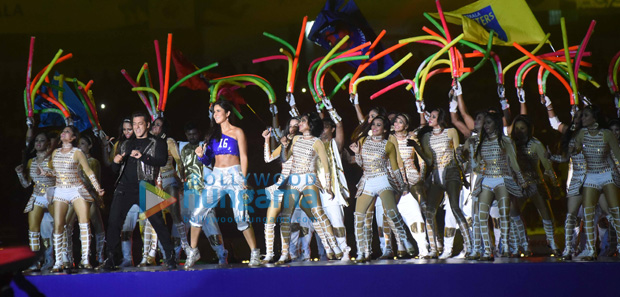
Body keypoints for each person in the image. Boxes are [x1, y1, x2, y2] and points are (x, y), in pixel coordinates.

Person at [98, 112, 176, 270]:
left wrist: (142, 156)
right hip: (124, 188)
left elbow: (161, 160)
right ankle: (112, 258)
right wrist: (115, 162)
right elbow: (115, 170)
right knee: (113, 223)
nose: (137, 127)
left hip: (146, 186)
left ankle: (170, 257)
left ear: (147, 125)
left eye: (140, 124)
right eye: (135, 124)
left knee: (158, 223)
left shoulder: (158, 142)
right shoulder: (126, 143)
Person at [191, 100, 261, 267]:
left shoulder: (237, 132)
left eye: (218, 111)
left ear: (228, 113)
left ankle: (255, 252)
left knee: (241, 217)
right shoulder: (211, 136)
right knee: (197, 213)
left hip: (234, 174)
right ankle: (193, 251)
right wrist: (200, 155)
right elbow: (207, 160)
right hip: (216, 176)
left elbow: (244, 156)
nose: (215, 114)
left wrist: (243, 178)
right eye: (214, 112)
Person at [349, 115, 413, 262]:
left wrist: (401, 186)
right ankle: (360, 252)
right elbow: (361, 164)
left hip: (383, 179)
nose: (374, 127)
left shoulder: (388, 145)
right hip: (367, 180)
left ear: (384, 129)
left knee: (392, 213)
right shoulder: (363, 141)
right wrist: (357, 154)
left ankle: (405, 241)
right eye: (373, 125)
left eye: (378, 125)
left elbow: (395, 169)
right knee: (358, 216)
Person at [41, 126, 104, 271]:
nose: (63, 133)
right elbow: (57, 173)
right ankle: (58, 262)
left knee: (84, 222)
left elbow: (88, 171)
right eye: (62, 131)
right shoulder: (55, 152)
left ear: (74, 137)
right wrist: (46, 173)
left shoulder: (78, 152)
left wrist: (97, 187)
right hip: (61, 190)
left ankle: (85, 259)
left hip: (76, 189)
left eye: (67, 131)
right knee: (58, 225)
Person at [471, 111, 525, 260]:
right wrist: (469, 152)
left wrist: (522, 181)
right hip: (486, 180)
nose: (486, 125)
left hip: (503, 179)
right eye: (485, 123)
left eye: (489, 122)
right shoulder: (481, 142)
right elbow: (476, 166)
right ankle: (487, 250)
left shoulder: (506, 142)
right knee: (482, 216)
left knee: (504, 214)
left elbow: (514, 164)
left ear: (496, 123)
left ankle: (506, 246)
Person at [418, 108, 472, 258]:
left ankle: (468, 246)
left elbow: (457, 154)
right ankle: (435, 248)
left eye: (433, 116)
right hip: (436, 174)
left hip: (452, 172)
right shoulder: (427, 136)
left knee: (455, 207)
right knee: (429, 210)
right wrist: (417, 146)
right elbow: (428, 160)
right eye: (430, 116)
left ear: (440, 118)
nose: (430, 118)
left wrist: (463, 175)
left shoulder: (451, 132)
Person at [573, 105, 620, 260]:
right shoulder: (581, 133)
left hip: (607, 173)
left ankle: (619, 245)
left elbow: (618, 157)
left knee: (615, 211)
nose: (582, 118)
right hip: (591, 175)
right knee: (588, 212)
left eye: (586, 115)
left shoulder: (606, 134)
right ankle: (590, 249)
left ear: (595, 118)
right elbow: (575, 151)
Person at [179, 122, 228, 265]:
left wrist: (211, 117)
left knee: (210, 225)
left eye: (194, 133)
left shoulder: (206, 145)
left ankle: (221, 255)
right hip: (187, 192)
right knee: (180, 227)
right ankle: (175, 256)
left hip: (205, 192)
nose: (192, 136)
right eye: (189, 134)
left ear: (199, 133)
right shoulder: (181, 146)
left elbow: (215, 133)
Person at [16, 131, 56, 271]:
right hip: (37, 195)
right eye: (36, 140)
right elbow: (26, 184)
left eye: (42, 140)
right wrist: (20, 173)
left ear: (47, 143)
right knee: (33, 229)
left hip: (52, 194)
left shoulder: (52, 158)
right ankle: (35, 262)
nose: (38, 142)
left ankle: (55, 259)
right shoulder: (31, 162)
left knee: (55, 230)